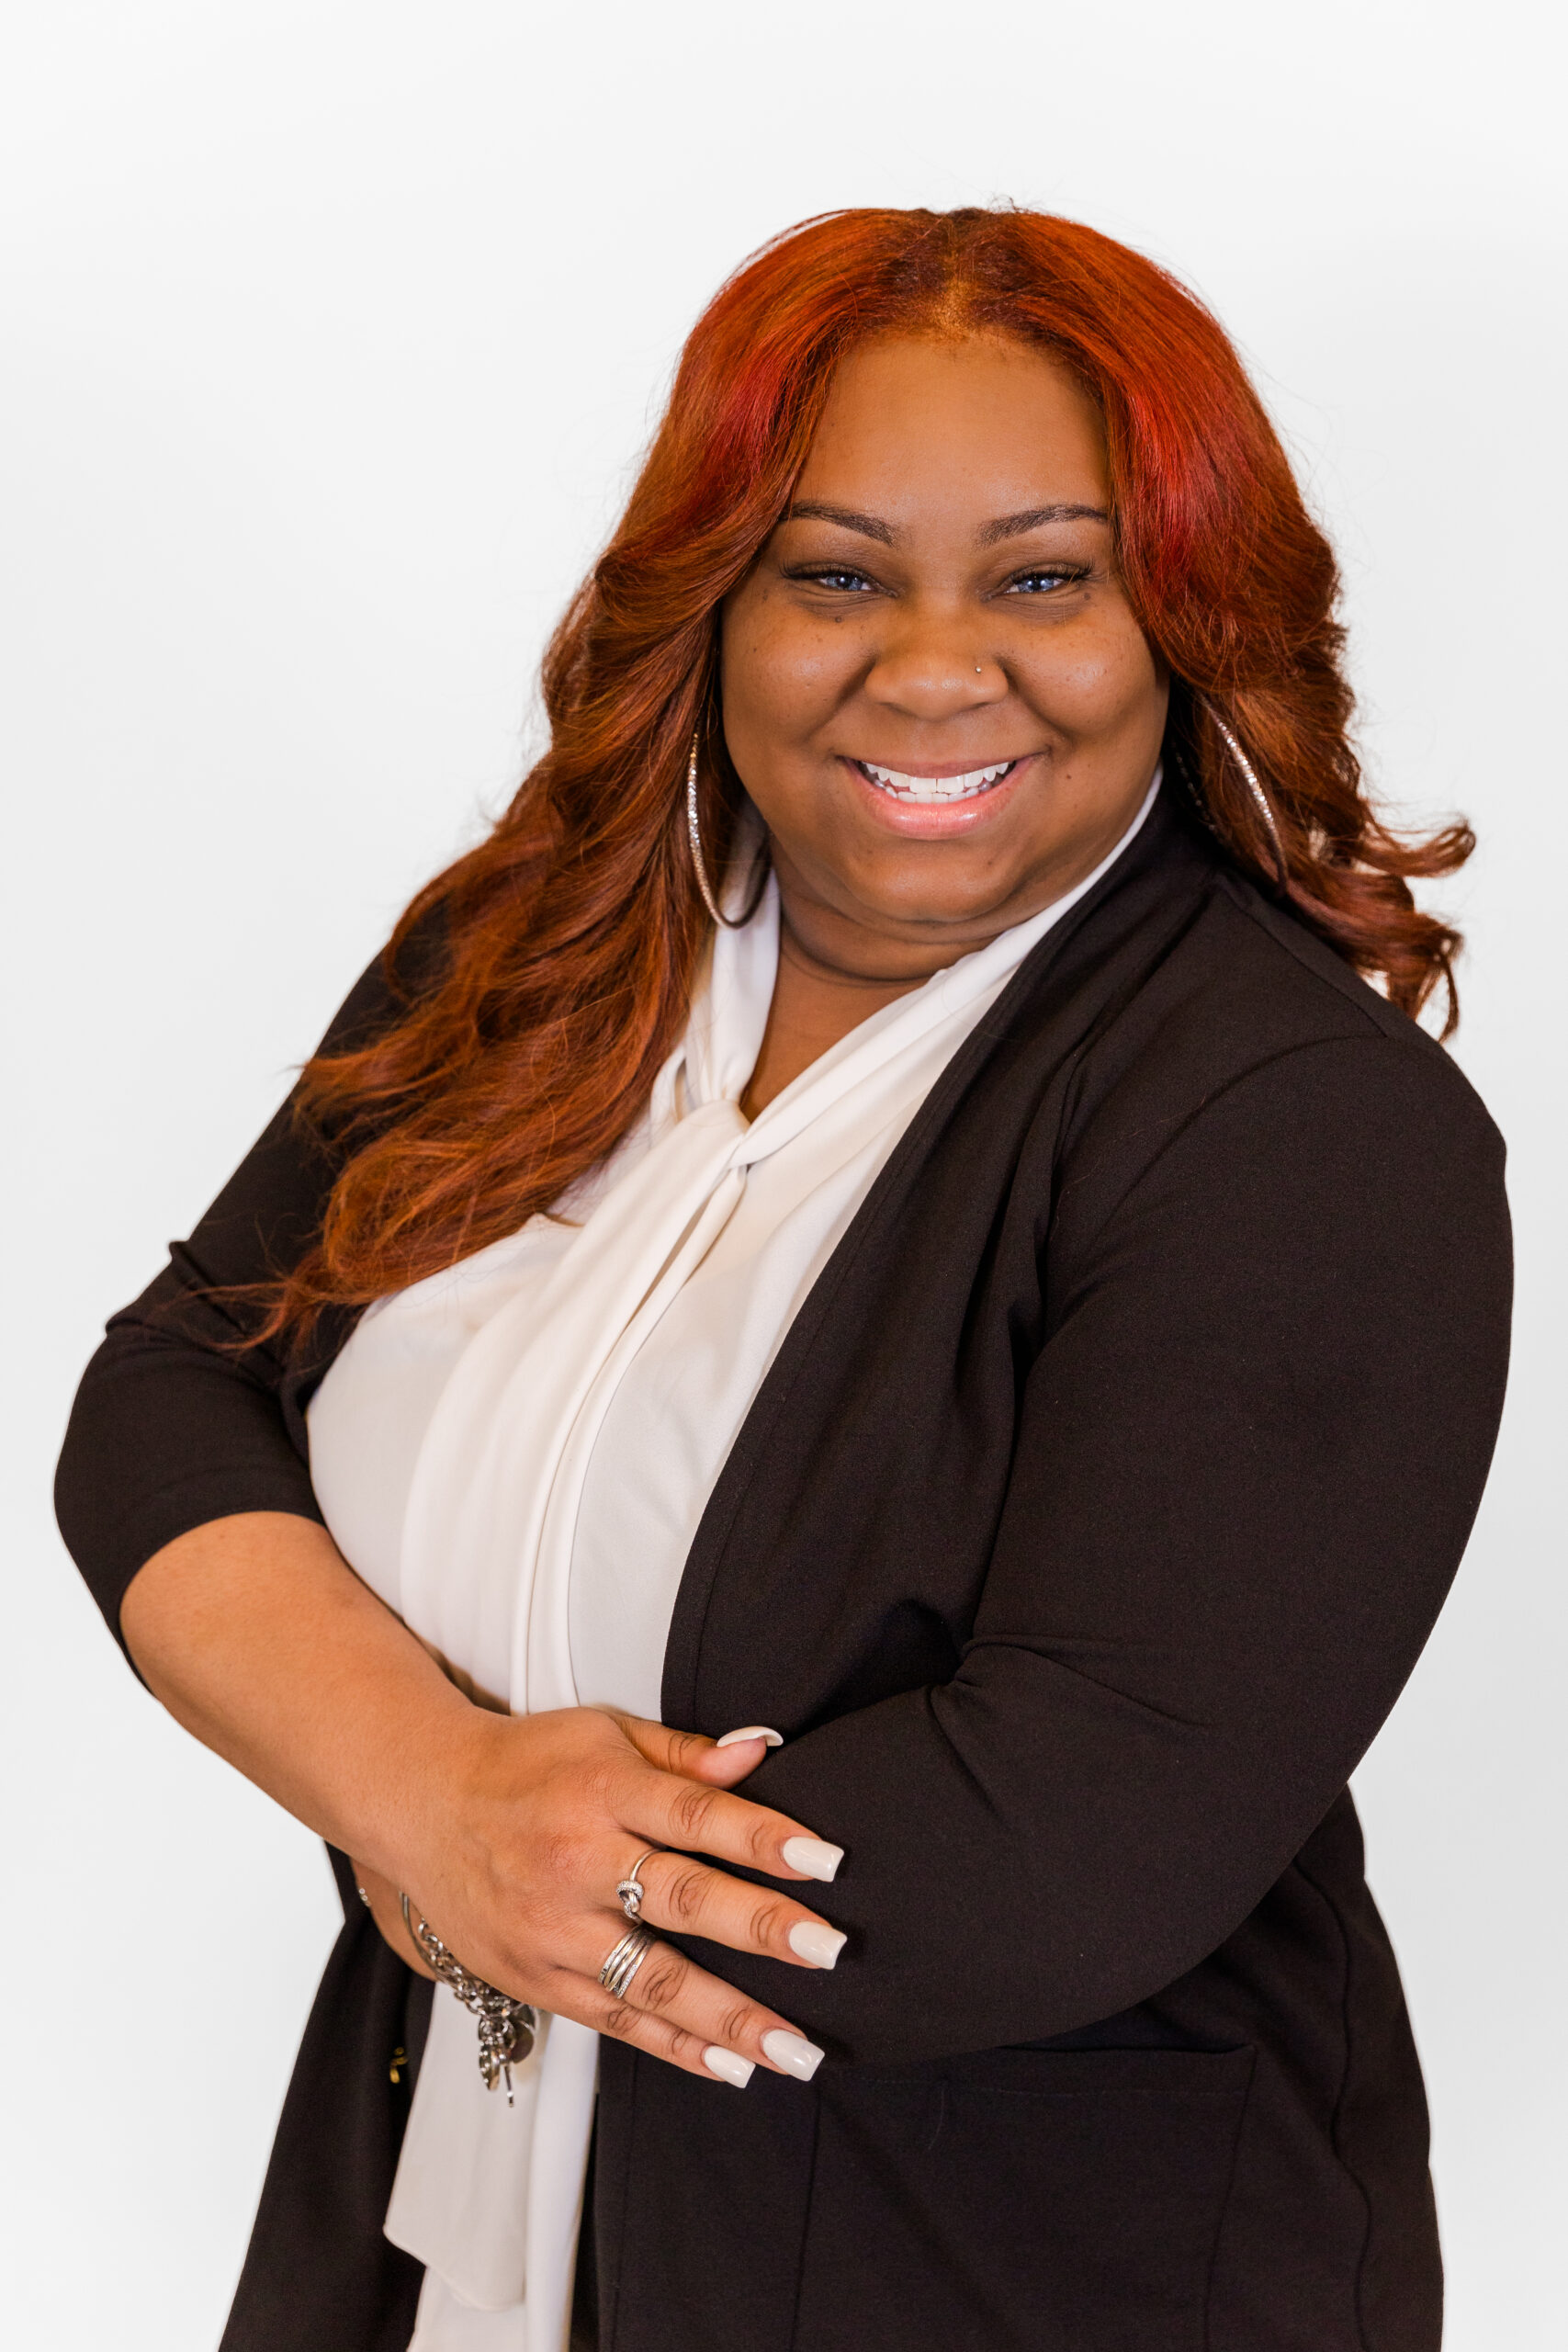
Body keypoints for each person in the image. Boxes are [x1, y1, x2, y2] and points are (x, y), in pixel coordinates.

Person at [56, 206, 1511, 2352]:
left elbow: (1068, 1823)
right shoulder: (534, 955)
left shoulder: (1296, 1124)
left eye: (1044, 575)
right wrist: (422, 1791)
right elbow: (175, 1392)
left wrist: (483, 1858)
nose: (932, 666)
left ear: (1182, 614)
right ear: (712, 603)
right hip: (447, 2222)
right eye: (833, 572)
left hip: (1012, 2277)